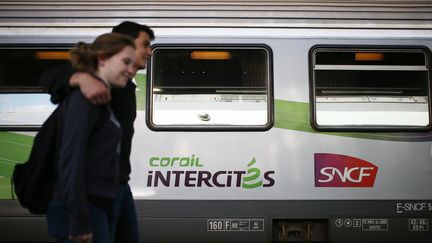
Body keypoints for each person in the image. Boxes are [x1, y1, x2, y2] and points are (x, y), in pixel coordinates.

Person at [40, 21, 155, 243]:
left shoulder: (124, 85)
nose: (149, 52)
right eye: (145, 44)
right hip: (89, 193)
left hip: (115, 186)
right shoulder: (90, 89)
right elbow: (49, 77)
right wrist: (79, 77)